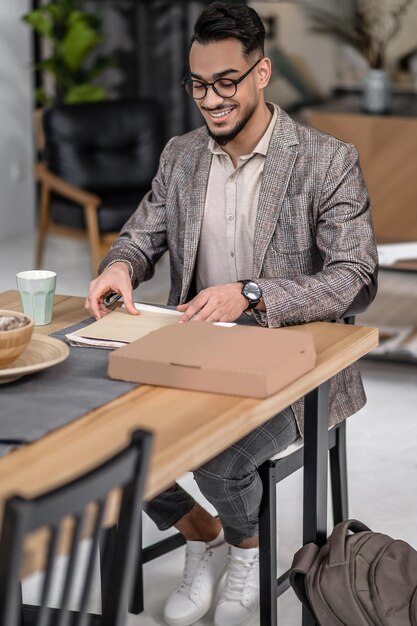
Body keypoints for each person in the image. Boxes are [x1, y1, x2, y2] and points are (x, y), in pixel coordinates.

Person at [85, 2, 378, 625]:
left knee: (217, 459)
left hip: (297, 368)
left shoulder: (328, 160)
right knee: (98, 436)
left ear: (262, 73)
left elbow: (355, 279)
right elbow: (141, 236)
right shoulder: (181, 156)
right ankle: (203, 531)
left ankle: (245, 549)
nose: (211, 100)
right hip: (193, 349)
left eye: (226, 83)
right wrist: (120, 266)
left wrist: (251, 293)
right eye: (198, 85)